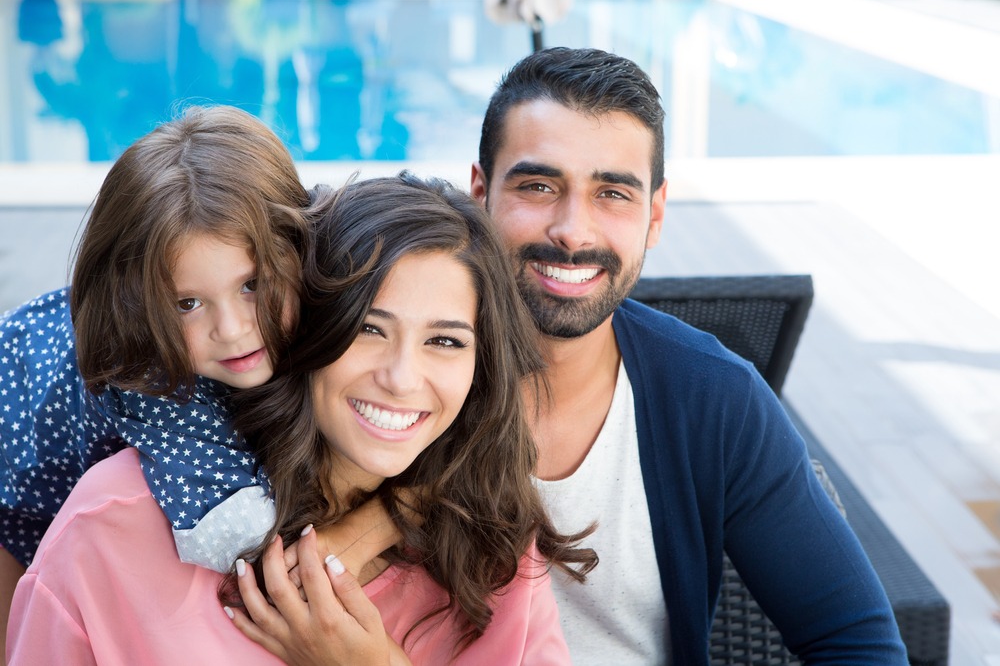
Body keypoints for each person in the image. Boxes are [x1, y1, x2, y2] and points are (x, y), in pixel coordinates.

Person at [6, 172, 596, 664]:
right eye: (368, 329)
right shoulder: (116, 523)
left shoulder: (499, 556)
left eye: (444, 342)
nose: (401, 377)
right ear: (305, 325)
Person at [466, 47, 908, 664]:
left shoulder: (713, 400)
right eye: (539, 185)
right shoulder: (403, 381)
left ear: (655, 215)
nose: (574, 229)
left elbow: (858, 642)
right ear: (479, 192)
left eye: (613, 194)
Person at [0, 105, 382, 648]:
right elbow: (245, 548)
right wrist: (395, 512)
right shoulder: (151, 384)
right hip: (17, 495)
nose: (231, 330)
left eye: (252, 284)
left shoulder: (308, 250)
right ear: (136, 302)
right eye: (186, 302)